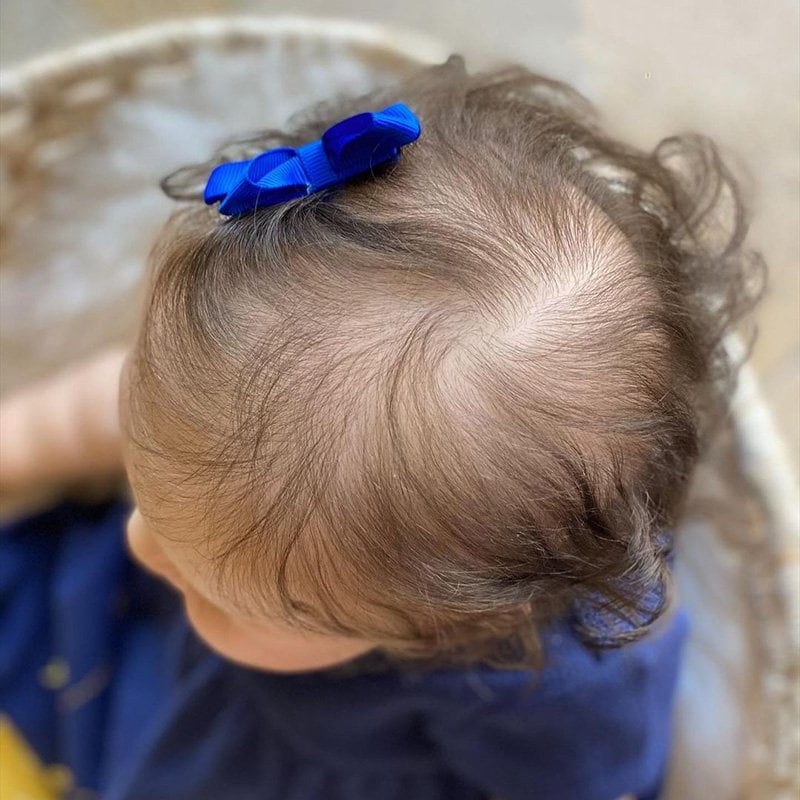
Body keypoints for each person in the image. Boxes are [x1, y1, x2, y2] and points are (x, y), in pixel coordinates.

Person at [0, 56, 762, 800]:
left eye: (220, 599)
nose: (141, 541)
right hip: (116, 633)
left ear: (450, 624)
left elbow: (593, 783)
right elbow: (97, 409)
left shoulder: (555, 694)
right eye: (148, 483)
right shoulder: (223, 382)